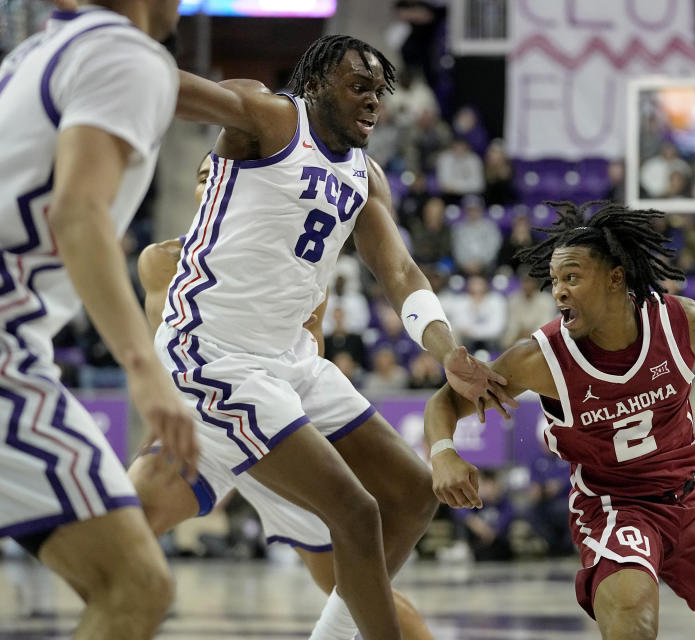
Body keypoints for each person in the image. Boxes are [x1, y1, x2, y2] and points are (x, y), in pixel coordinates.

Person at [129, 35, 514, 640]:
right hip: (214, 362)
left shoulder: (367, 177)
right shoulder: (269, 118)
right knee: (352, 515)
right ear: (315, 85)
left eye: (379, 92)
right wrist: (106, 53)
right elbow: (176, 91)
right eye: (358, 86)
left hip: (291, 370)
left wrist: (447, 352)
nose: (372, 103)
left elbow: (399, 273)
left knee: (412, 496)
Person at [424, 201, 695, 639]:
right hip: (615, 512)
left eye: (572, 277)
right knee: (634, 627)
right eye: (556, 281)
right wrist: (443, 452)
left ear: (615, 277)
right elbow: (445, 403)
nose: (559, 291)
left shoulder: (678, 320)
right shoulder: (540, 359)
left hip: (690, 504)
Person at [137, 153, 433, 636]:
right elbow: (166, 359)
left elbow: (309, 349)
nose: (211, 181)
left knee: (349, 584)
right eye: (202, 176)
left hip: (274, 418)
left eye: (221, 174)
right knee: (122, 534)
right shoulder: (162, 260)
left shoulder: (290, 258)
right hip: (208, 415)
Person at [0, 1, 197, 638]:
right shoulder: (128, 53)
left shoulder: (34, 55)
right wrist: (144, 367)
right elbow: (78, 211)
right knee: (134, 585)